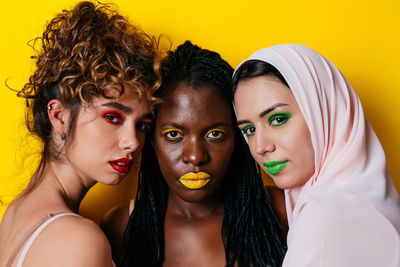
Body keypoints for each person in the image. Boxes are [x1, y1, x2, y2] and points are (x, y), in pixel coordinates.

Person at [0, 2, 162, 266]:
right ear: (59, 116)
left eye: (142, 125)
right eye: (112, 117)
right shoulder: (79, 240)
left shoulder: (16, 212)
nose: (132, 142)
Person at [102, 41, 286, 267]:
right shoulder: (122, 227)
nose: (195, 156)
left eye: (215, 134)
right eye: (173, 135)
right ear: (150, 137)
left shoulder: (280, 210)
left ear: (237, 136)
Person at [232, 43, 400, 267]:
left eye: (278, 119)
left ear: (323, 111)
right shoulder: (366, 199)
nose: (260, 147)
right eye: (249, 130)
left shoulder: (324, 218)